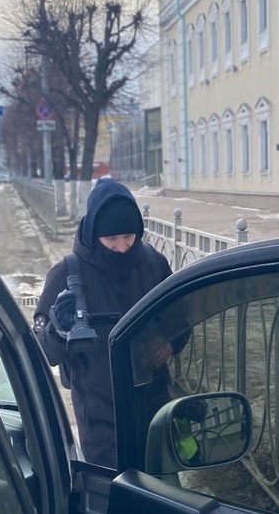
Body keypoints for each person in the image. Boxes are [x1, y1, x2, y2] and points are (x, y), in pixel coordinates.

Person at [34, 180, 176, 468]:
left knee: (163, 499)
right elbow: (44, 352)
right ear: (93, 233)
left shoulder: (153, 264)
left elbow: (180, 316)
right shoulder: (68, 274)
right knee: (113, 499)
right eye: (111, 239)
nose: (122, 248)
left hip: (154, 409)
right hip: (101, 423)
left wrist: (171, 340)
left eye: (128, 236)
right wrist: (59, 329)